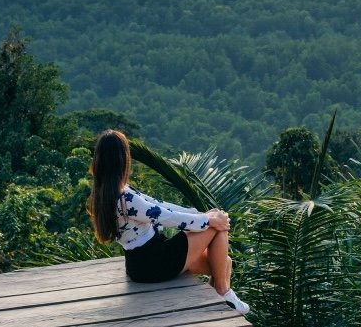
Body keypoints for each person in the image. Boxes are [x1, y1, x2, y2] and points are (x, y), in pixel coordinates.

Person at [87, 129, 249, 315]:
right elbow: (167, 217)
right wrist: (208, 219)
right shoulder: (125, 198)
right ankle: (223, 291)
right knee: (217, 225)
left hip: (140, 265)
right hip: (155, 262)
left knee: (224, 262)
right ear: (123, 159)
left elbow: (158, 205)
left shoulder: (105, 194)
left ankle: (219, 297)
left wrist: (199, 214)